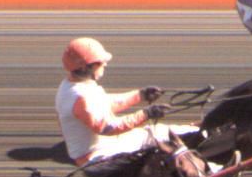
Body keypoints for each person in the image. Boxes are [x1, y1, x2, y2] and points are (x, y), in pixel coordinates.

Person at [54, 37, 188, 164]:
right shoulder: (80, 96)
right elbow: (107, 127)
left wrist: (141, 95)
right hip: (97, 155)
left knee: (161, 131)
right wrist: (146, 114)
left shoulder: (74, 85)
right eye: (99, 62)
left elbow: (105, 103)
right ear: (83, 67)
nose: (105, 64)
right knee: (164, 141)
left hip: (105, 145)